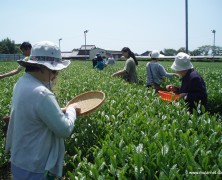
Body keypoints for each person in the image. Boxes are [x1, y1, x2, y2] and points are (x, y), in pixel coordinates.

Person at [5, 41, 81, 179]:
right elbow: (64, 130)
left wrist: (60, 110)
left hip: (19, 161)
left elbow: (33, 112)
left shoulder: (21, 83)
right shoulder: (42, 93)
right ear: (41, 68)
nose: (55, 75)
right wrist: (71, 110)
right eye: (54, 71)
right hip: (36, 168)